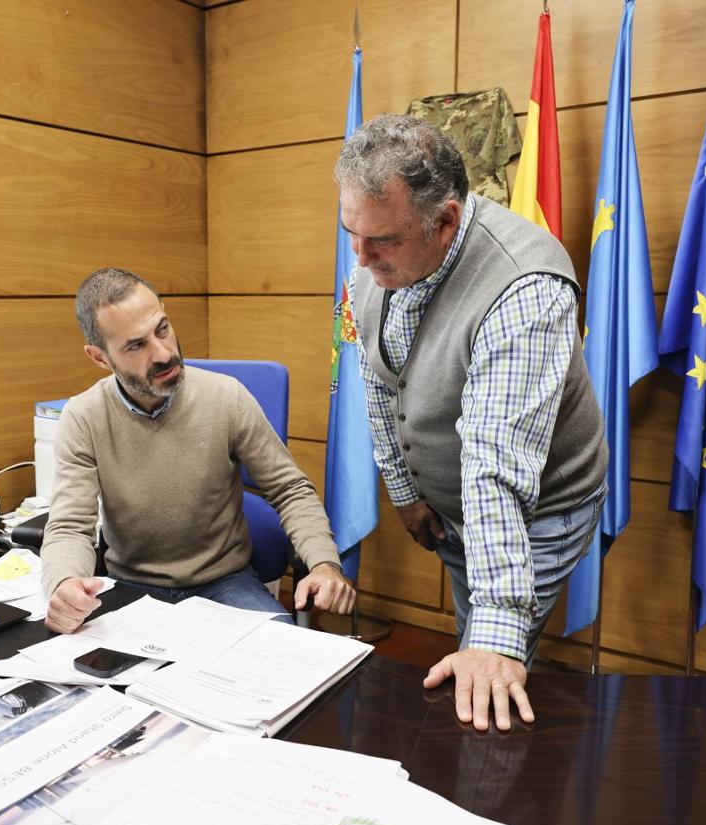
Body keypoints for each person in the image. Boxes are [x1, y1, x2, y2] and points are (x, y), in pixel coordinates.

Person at [335, 114, 607, 731]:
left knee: (488, 675)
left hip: (539, 513)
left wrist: (497, 628)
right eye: (351, 231)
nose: (360, 256)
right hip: (452, 510)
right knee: (474, 645)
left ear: (446, 221)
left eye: (382, 240)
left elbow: (494, 465)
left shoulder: (525, 286)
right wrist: (405, 492)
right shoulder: (373, 258)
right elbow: (378, 379)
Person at [41, 267, 355, 634]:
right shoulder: (83, 417)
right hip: (131, 587)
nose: (164, 353)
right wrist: (65, 582)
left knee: (287, 658)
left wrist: (323, 563)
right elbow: (69, 526)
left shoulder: (226, 396)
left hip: (224, 583)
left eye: (162, 329)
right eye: (136, 345)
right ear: (99, 357)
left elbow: (290, 490)